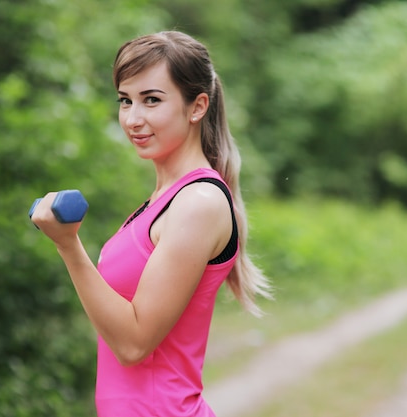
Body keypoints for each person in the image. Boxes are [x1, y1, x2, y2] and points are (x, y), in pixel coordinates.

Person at [30, 30, 271, 416]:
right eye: (125, 101)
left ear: (197, 107)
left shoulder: (198, 203)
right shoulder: (162, 202)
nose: (133, 119)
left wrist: (68, 245)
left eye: (152, 100)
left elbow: (134, 344)